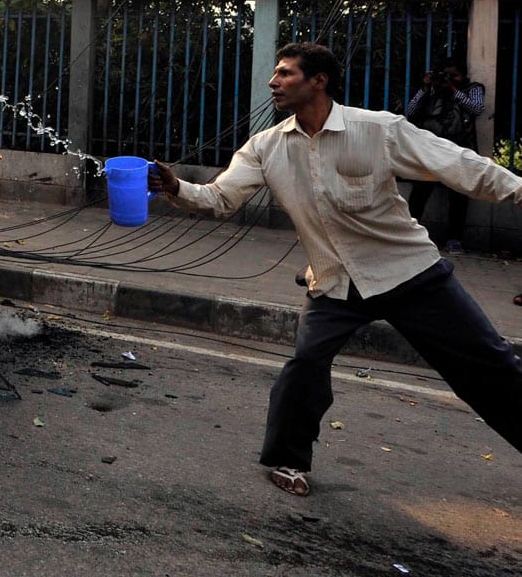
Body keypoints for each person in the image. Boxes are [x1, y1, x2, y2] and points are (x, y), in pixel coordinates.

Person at [147, 42, 522, 497]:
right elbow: (221, 198)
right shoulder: (266, 147)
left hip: (409, 272)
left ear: (318, 81)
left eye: (285, 73)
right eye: (276, 73)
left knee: (489, 364)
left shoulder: (377, 129)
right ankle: (288, 460)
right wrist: (176, 186)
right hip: (333, 280)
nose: (273, 82)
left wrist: (519, 190)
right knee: (306, 364)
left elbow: (458, 165)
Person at [403, 56, 485, 252]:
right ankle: (407, 236)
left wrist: (453, 91)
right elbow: (410, 111)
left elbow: (477, 108)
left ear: (463, 75)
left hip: (459, 150)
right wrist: (425, 88)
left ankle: (454, 239)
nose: (449, 79)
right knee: (419, 195)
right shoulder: (433, 90)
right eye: (446, 75)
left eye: (454, 76)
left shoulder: (472, 88)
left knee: (458, 197)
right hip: (431, 150)